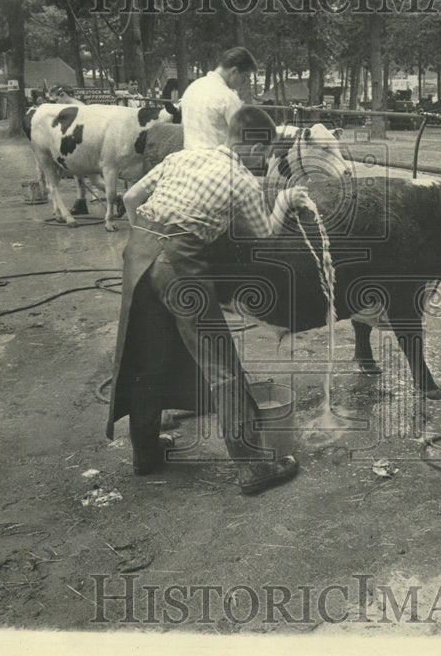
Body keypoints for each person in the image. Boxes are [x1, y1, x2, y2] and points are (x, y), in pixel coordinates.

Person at [108, 106, 310, 495]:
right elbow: (264, 236)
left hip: (138, 254)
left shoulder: (182, 155)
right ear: (252, 145)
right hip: (178, 267)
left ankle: (145, 453)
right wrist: (284, 201)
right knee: (221, 365)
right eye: (265, 152)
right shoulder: (241, 180)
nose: (265, 161)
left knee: (146, 355)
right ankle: (253, 467)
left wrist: (148, 237)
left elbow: (131, 196)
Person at [178, 47, 257, 150]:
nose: (244, 83)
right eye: (244, 78)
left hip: (188, 157)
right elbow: (243, 137)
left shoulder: (192, 88)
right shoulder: (228, 97)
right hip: (215, 161)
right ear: (234, 71)